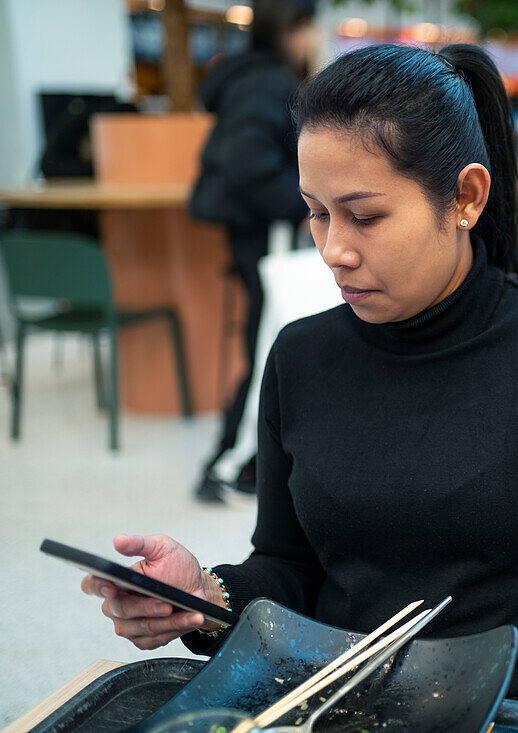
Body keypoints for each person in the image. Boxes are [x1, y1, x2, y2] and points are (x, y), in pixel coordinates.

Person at [80, 43, 518, 731]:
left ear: (466, 196)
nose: (334, 248)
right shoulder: (301, 358)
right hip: (348, 711)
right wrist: (204, 593)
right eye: (316, 212)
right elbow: (289, 564)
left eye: (364, 216)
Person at [188, 0, 318, 502]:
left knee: (268, 338)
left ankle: (249, 462)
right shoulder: (268, 80)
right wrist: (301, 204)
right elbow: (247, 157)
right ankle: (226, 462)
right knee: (269, 343)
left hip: (257, 228)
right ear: (290, 29)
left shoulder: (250, 74)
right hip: (268, 229)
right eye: (307, 28)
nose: (311, 40)